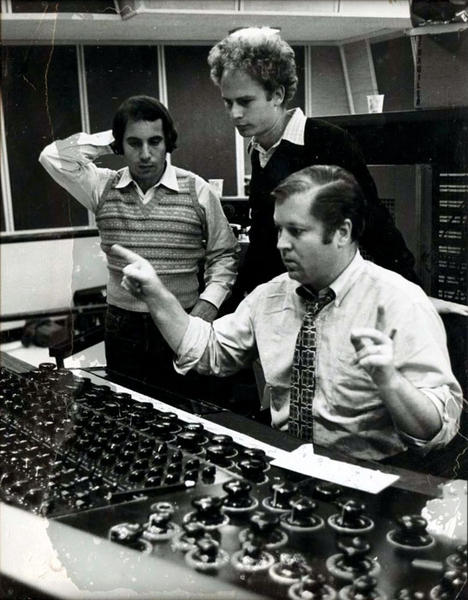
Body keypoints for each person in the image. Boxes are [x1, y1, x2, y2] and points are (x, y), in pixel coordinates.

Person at [110, 165, 463, 462]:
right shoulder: (271, 295)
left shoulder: (401, 302)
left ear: (342, 232)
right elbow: (206, 352)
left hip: (373, 480)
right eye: (280, 229)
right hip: (290, 466)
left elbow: (438, 429)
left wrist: (389, 380)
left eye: (296, 231)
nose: (281, 243)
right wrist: (157, 295)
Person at [207, 26, 468, 318]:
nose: (234, 114)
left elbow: (374, 224)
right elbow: (264, 243)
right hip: (282, 304)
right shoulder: (258, 150)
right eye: (228, 103)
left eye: (245, 101)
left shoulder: (328, 141)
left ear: (277, 94)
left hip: (330, 304)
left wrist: (414, 297)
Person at [39, 95, 239, 394]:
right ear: (121, 145)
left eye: (155, 141)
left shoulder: (197, 189)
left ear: (167, 142)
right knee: (128, 409)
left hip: (183, 317)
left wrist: (207, 306)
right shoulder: (102, 186)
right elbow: (52, 156)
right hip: (123, 326)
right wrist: (113, 137)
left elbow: (224, 255)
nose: (145, 154)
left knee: (187, 413)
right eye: (134, 143)